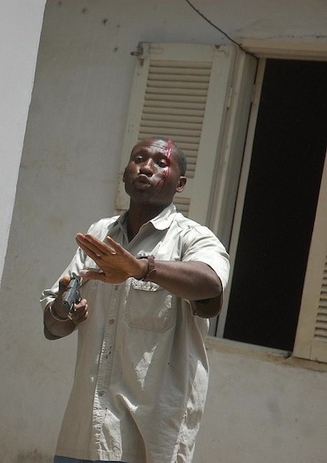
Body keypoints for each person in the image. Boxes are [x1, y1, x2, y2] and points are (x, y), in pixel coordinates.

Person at [41, 137, 230, 463]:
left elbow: (211, 284)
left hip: (151, 438)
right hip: (84, 431)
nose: (146, 166)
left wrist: (143, 268)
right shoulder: (99, 234)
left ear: (180, 183)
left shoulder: (191, 238)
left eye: (160, 162)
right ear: (124, 173)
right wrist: (63, 310)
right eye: (138, 158)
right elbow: (51, 327)